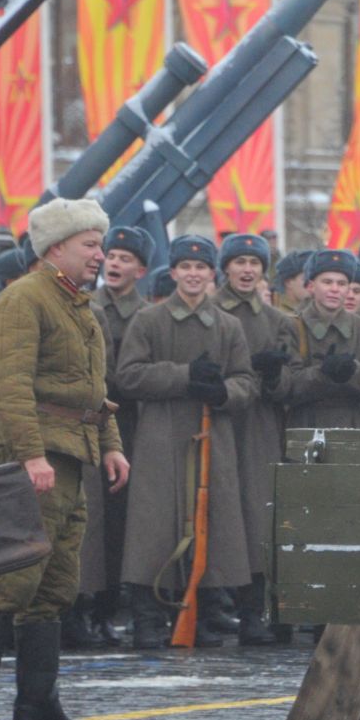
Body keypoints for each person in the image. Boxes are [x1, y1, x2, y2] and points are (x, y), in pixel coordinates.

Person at [0, 197, 127, 720]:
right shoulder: (24, 300)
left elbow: (94, 393)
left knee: (52, 589)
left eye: (100, 244)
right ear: (55, 249)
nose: (101, 254)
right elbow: (5, 386)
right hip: (33, 459)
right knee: (8, 580)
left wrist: (111, 445)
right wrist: (29, 455)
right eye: (89, 245)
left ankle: (36, 710)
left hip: (70, 459)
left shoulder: (79, 308)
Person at [113, 235, 255, 651]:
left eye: (201, 267)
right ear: (172, 272)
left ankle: (209, 612)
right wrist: (184, 377)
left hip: (214, 437)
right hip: (160, 436)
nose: (193, 275)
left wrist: (223, 392)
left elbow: (247, 381)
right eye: (185, 267)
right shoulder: (148, 321)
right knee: (153, 528)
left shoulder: (229, 326)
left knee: (214, 524)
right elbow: (129, 376)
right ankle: (148, 618)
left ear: (213, 274)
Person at [66, 224, 153, 649]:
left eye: (125, 258)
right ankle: (82, 605)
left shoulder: (148, 314)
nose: (115, 263)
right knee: (89, 518)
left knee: (122, 522)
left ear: (141, 269)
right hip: (90, 419)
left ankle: (108, 608)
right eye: (111, 255)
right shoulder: (86, 304)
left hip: (129, 427)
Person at [215, 232, 298, 645]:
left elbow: (288, 388)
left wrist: (273, 375)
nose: (247, 270)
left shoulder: (278, 321)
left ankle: (256, 611)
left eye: (255, 263)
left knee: (258, 517)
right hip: (218, 424)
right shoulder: (210, 312)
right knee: (219, 514)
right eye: (239, 262)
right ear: (226, 268)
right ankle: (214, 609)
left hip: (261, 427)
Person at [277, 250, 360, 429]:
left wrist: (354, 371)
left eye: (342, 283)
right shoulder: (292, 326)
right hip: (305, 424)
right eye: (327, 282)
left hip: (354, 425)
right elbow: (286, 387)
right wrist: (321, 373)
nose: (334, 289)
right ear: (311, 286)